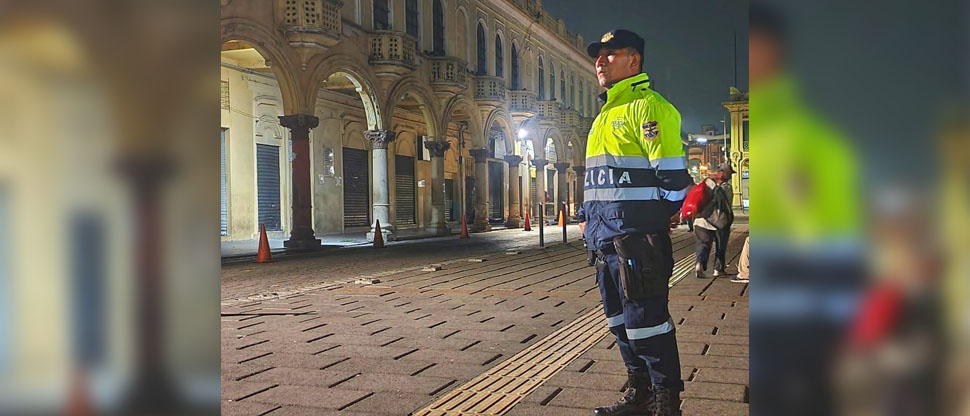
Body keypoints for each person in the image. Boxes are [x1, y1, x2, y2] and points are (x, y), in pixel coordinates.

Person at [577, 29, 693, 416]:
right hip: (602, 241)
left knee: (649, 324)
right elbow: (598, 180)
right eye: (598, 55)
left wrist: (655, 221)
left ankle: (666, 403)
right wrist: (584, 220)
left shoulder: (649, 108)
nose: (600, 61)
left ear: (635, 61)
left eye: (611, 54)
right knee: (620, 324)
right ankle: (639, 394)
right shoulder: (604, 115)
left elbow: (674, 180)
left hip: (635, 241)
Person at [692, 162, 735, 278]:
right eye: (728, 173)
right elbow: (728, 205)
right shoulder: (726, 187)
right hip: (719, 221)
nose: (730, 176)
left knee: (703, 244)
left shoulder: (704, 184)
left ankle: (699, 264)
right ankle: (718, 269)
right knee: (720, 245)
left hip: (700, 220)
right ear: (721, 174)